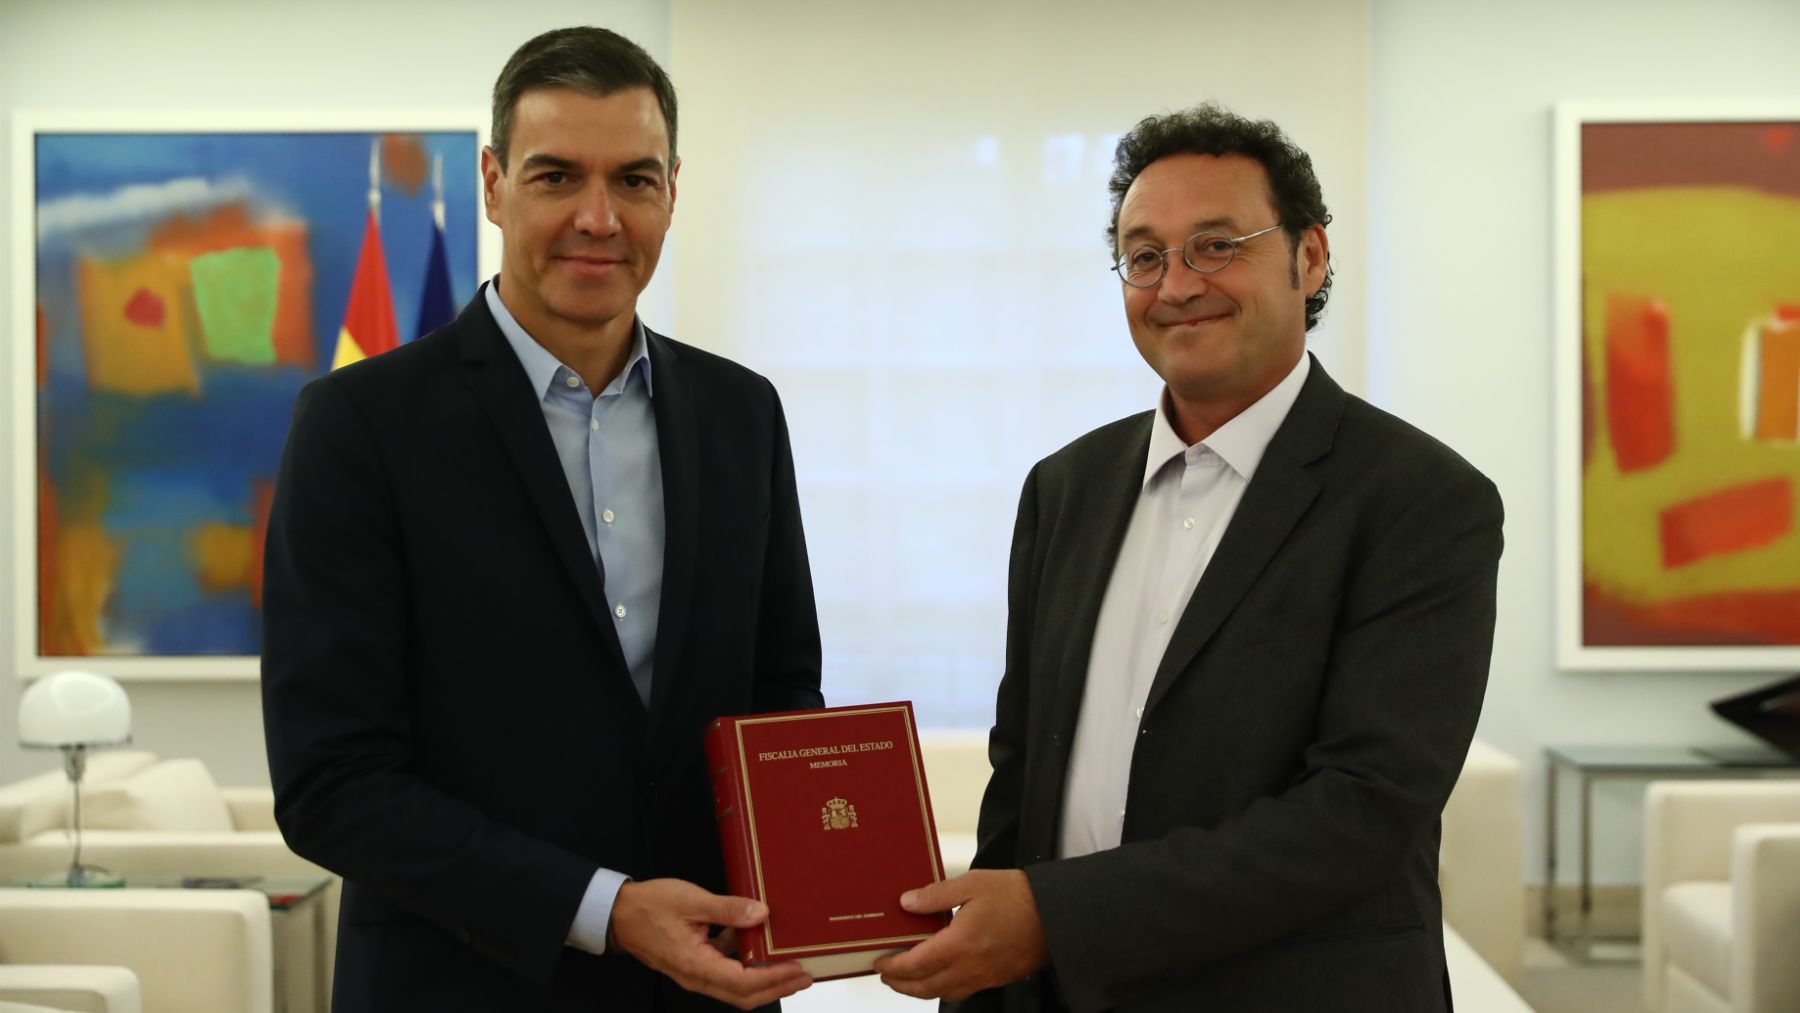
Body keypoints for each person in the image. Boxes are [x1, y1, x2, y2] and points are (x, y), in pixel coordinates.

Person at [875, 104, 1504, 1011]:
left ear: (1310, 256)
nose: (1174, 284)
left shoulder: (1422, 500)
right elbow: (1024, 772)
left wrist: (1058, 916)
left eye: (1217, 245)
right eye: (1144, 255)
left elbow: (1361, 812)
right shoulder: (1067, 486)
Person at [261, 26, 820, 1013]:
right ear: (492, 182)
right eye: (557, 176)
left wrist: (838, 888)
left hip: (709, 989)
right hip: (458, 983)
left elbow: (780, 700)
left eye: (635, 181)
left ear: (673, 191)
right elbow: (332, 783)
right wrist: (606, 906)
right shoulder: (360, 425)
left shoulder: (743, 414)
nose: (598, 218)